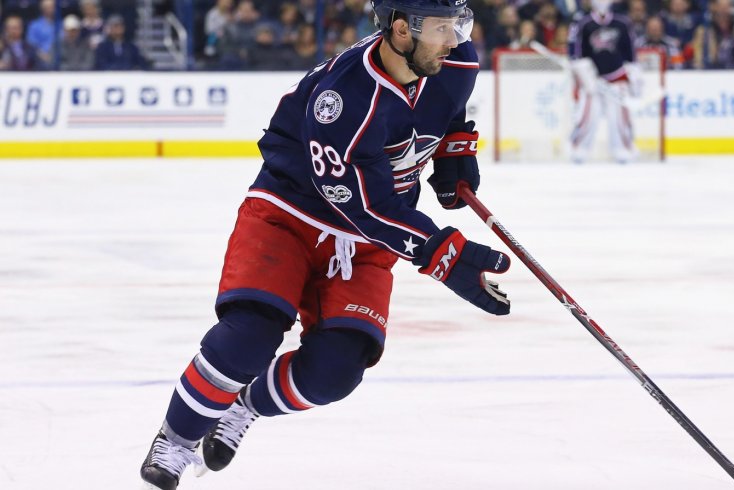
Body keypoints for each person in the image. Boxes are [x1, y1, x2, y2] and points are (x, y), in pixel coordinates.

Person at [138, 1, 511, 488]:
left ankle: (246, 405)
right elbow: (365, 206)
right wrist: (445, 256)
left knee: (335, 372)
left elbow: (449, 106)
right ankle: (177, 439)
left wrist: (453, 148)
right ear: (401, 30)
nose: (456, 39)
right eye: (443, 29)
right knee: (250, 335)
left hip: (369, 239)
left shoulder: (455, 59)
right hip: (290, 215)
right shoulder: (342, 100)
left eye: (458, 25)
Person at [567, 0, 639, 163]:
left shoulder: (623, 22)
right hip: (593, 79)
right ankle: (578, 148)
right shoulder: (582, 23)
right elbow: (575, 54)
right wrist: (585, 73)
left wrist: (633, 75)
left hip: (617, 77)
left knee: (619, 117)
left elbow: (631, 54)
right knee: (588, 116)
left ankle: (623, 148)